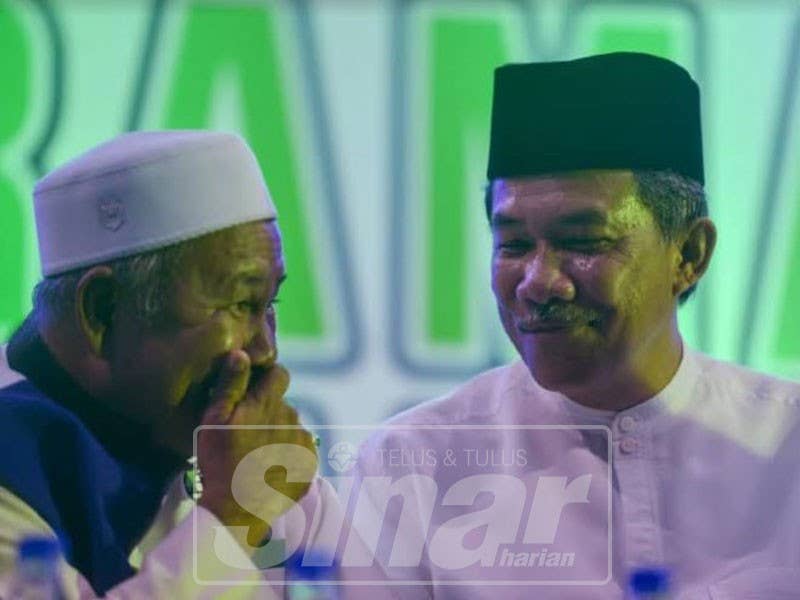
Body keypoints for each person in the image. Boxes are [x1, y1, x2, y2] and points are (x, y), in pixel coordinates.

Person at [351, 52, 800, 598]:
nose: (539, 282)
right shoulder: (412, 468)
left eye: (583, 242)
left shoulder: (787, 448)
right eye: (514, 244)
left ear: (689, 253)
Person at [0, 130, 323, 597]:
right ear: (103, 310)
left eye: (269, 304)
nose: (265, 351)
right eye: (239, 304)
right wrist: (232, 519)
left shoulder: (237, 438)